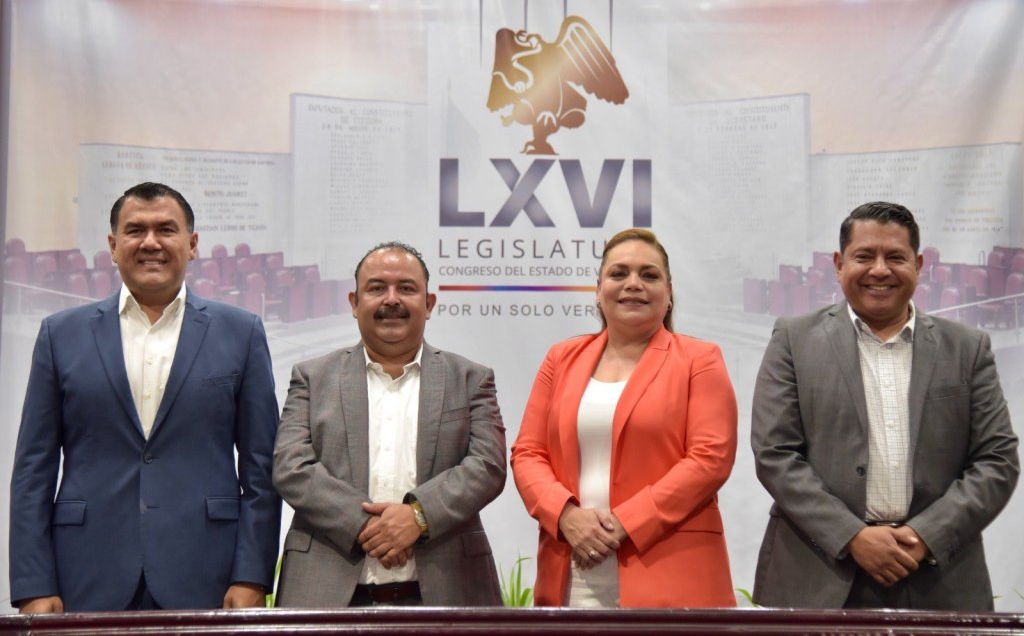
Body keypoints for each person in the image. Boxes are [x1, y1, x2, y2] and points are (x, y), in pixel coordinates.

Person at [9, 182, 281, 612]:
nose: (150, 242)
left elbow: (261, 470)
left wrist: (252, 575)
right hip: (86, 571)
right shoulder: (60, 335)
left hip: (207, 571)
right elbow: (32, 469)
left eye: (166, 229)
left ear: (192, 244)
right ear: (113, 246)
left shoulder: (241, 333)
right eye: (135, 230)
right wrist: (33, 584)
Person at [751, 201, 1019, 610]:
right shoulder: (793, 340)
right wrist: (852, 536)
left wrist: (923, 536)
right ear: (839, 264)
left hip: (937, 578)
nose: (879, 270)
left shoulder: (968, 347)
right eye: (864, 256)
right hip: (816, 576)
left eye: (895, 257)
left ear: (919, 265)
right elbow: (775, 453)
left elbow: (997, 460)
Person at [511, 228, 738, 607]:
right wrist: (565, 515)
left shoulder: (700, 359)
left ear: (669, 293)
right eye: (619, 274)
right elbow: (528, 454)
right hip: (572, 573)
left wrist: (626, 523)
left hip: (673, 571)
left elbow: (710, 458)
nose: (634, 283)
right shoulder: (560, 359)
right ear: (598, 290)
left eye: (649, 275)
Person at [272, 241, 506, 607]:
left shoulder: (470, 379)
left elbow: (487, 466)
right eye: (377, 288)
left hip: (447, 591)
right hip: (324, 591)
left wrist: (418, 517)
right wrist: (367, 526)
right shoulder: (312, 378)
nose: (391, 299)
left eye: (407, 288)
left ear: (429, 304)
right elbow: (291, 467)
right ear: (354, 303)